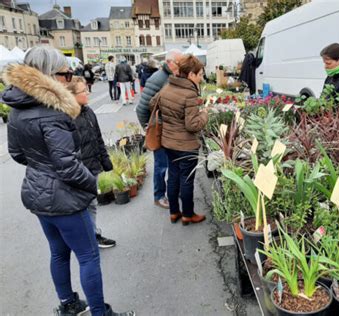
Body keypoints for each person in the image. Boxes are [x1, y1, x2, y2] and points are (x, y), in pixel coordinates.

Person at [1, 46, 134, 316]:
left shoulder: (18, 110)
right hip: (65, 199)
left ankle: (68, 304)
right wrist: (94, 185)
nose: (70, 78)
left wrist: (42, 169)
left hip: (38, 195)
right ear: (50, 76)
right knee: (88, 256)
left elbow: (17, 154)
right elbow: (68, 166)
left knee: (59, 253)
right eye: (65, 74)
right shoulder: (53, 113)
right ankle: (100, 312)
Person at [151, 54, 208, 225]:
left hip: (168, 142)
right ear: (191, 75)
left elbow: (152, 103)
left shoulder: (168, 86)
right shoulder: (189, 94)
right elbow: (192, 125)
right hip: (186, 145)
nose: (201, 78)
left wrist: (171, 118)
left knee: (174, 176)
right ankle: (188, 215)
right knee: (186, 179)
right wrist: (205, 114)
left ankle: (174, 212)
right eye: (200, 75)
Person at [66, 76, 117, 249]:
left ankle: (93, 235)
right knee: (84, 206)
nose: (87, 93)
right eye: (83, 91)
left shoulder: (88, 112)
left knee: (92, 204)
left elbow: (98, 138)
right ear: (71, 94)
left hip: (92, 166)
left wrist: (106, 161)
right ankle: (88, 239)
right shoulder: (67, 117)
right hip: (79, 170)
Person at [136, 49, 183, 209]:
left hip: (172, 130)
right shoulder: (157, 79)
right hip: (160, 130)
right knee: (161, 166)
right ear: (170, 62)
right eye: (180, 63)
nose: (182, 66)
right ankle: (159, 196)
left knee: (173, 164)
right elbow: (141, 109)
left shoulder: (173, 76)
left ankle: (171, 193)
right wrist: (148, 128)